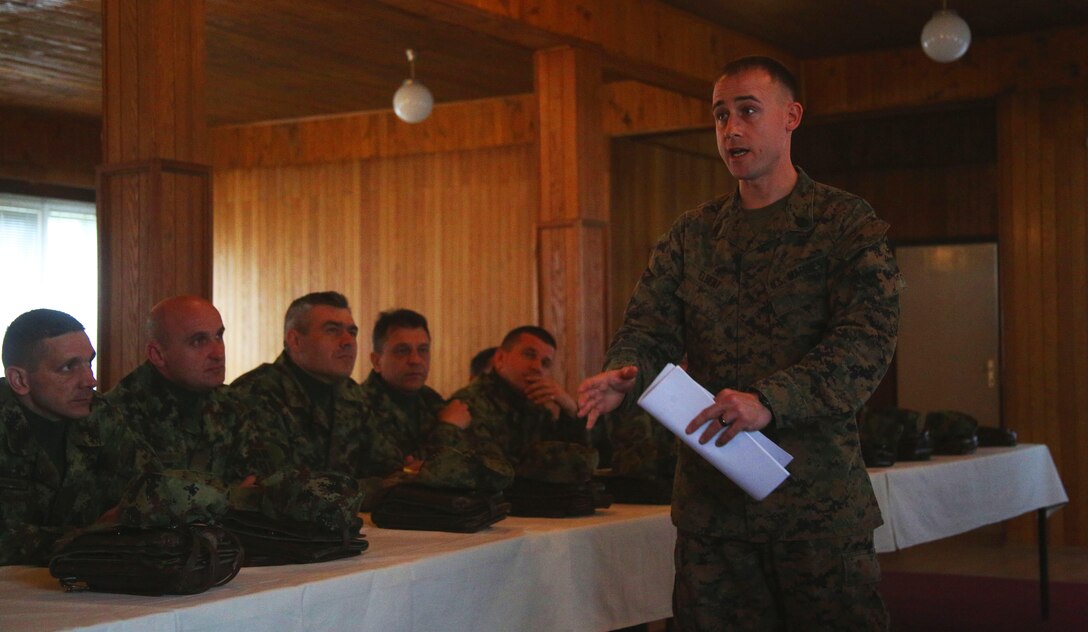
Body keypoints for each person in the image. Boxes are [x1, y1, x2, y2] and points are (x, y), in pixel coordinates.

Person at [578, 56, 903, 631]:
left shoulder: (845, 225)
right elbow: (648, 329)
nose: (731, 130)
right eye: (721, 115)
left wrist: (769, 399)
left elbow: (865, 344)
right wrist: (622, 374)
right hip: (715, 513)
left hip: (815, 508)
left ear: (791, 116)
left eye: (748, 111)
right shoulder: (692, 235)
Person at [1, 309, 152, 565]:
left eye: (89, 363)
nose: (90, 380)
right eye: (68, 367)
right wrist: (92, 535)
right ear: (19, 380)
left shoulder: (99, 414)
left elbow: (151, 486)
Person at [93, 296, 252, 482]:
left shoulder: (233, 403)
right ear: (157, 354)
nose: (218, 353)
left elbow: (257, 488)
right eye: (199, 341)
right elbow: (148, 502)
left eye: (218, 336)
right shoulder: (117, 415)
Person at [231, 292, 376, 490]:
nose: (348, 341)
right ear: (295, 340)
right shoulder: (256, 393)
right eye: (333, 330)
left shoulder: (354, 395)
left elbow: (388, 472)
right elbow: (277, 488)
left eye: (352, 332)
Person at [445, 326, 586, 467]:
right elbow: (492, 468)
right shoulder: (469, 403)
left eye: (545, 363)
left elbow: (574, 464)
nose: (537, 367)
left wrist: (571, 409)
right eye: (529, 355)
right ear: (500, 359)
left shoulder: (535, 407)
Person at [358, 308, 469, 477]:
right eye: (402, 350)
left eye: (423, 350)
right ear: (377, 361)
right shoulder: (361, 407)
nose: (416, 360)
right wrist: (448, 428)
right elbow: (400, 475)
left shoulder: (431, 399)